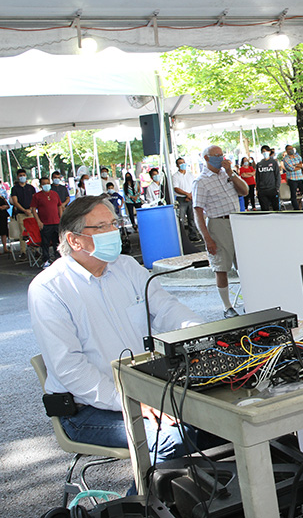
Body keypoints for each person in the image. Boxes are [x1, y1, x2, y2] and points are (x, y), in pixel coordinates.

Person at [28, 195, 210, 463]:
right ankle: (137, 505)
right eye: (101, 227)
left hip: (145, 388)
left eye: (114, 223)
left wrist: (205, 335)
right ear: (74, 240)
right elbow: (70, 369)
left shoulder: (127, 267)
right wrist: (130, 401)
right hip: (87, 409)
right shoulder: (49, 289)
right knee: (173, 439)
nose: (114, 231)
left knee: (223, 419)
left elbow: (167, 310)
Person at [193, 145, 249, 318]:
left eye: (221, 155)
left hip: (237, 221)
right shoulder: (200, 181)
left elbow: (245, 191)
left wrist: (231, 173)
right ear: (207, 158)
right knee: (221, 267)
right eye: (216, 155)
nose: (220, 158)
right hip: (218, 223)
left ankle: (250, 299)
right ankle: (227, 306)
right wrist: (207, 239)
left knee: (245, 265)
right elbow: (198, 211)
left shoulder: (227, 174)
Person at [11, 168, 36, 256]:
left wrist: (30, 209)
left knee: (33, 231)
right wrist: (24, 210)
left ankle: (34, 250)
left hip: (31, 213)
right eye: (20, 176)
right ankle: (23, 252)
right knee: (23, 233)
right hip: (21, 214)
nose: (22, 177)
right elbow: (15, 202)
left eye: (24, 175)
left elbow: (34, 199)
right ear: (17, 177)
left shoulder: (31, 188)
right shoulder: (14, 189)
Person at [173, 157, 199, 240]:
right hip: (181, 199)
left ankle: (193, 235)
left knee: (192, 218)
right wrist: (186, 194)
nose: (183, 164)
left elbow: (194, 185)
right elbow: (176, 188)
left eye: (183, 162)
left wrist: (190, 195)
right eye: (180, 163)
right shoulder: (175, 176)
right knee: (181, 218)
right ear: (177, 165)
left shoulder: (190, 174)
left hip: (191, 198)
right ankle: (182, 237)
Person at [256, 145, 281, 211]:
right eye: (263, 151)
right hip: (262, 190)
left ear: (269, 152)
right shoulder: (259, 164)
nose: (265, 153)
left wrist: (277, 187)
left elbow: (277, 175)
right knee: (264, 209)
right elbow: (257, 177)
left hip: (272, 189)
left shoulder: (274, 163)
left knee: (275, 208)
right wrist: (257, 189)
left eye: (266, 151)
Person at [281, 145, 303, 210]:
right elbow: (291, 168)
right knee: (293, 195)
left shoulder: (297, 156)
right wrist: (298, 166)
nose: (291, 150)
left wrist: (296, 165)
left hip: (300, 178)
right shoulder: (286, 159)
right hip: (292, 179)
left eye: (292, 148)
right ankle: (296, 209)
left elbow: (302, 165)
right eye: (289, 149)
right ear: (286, 150)